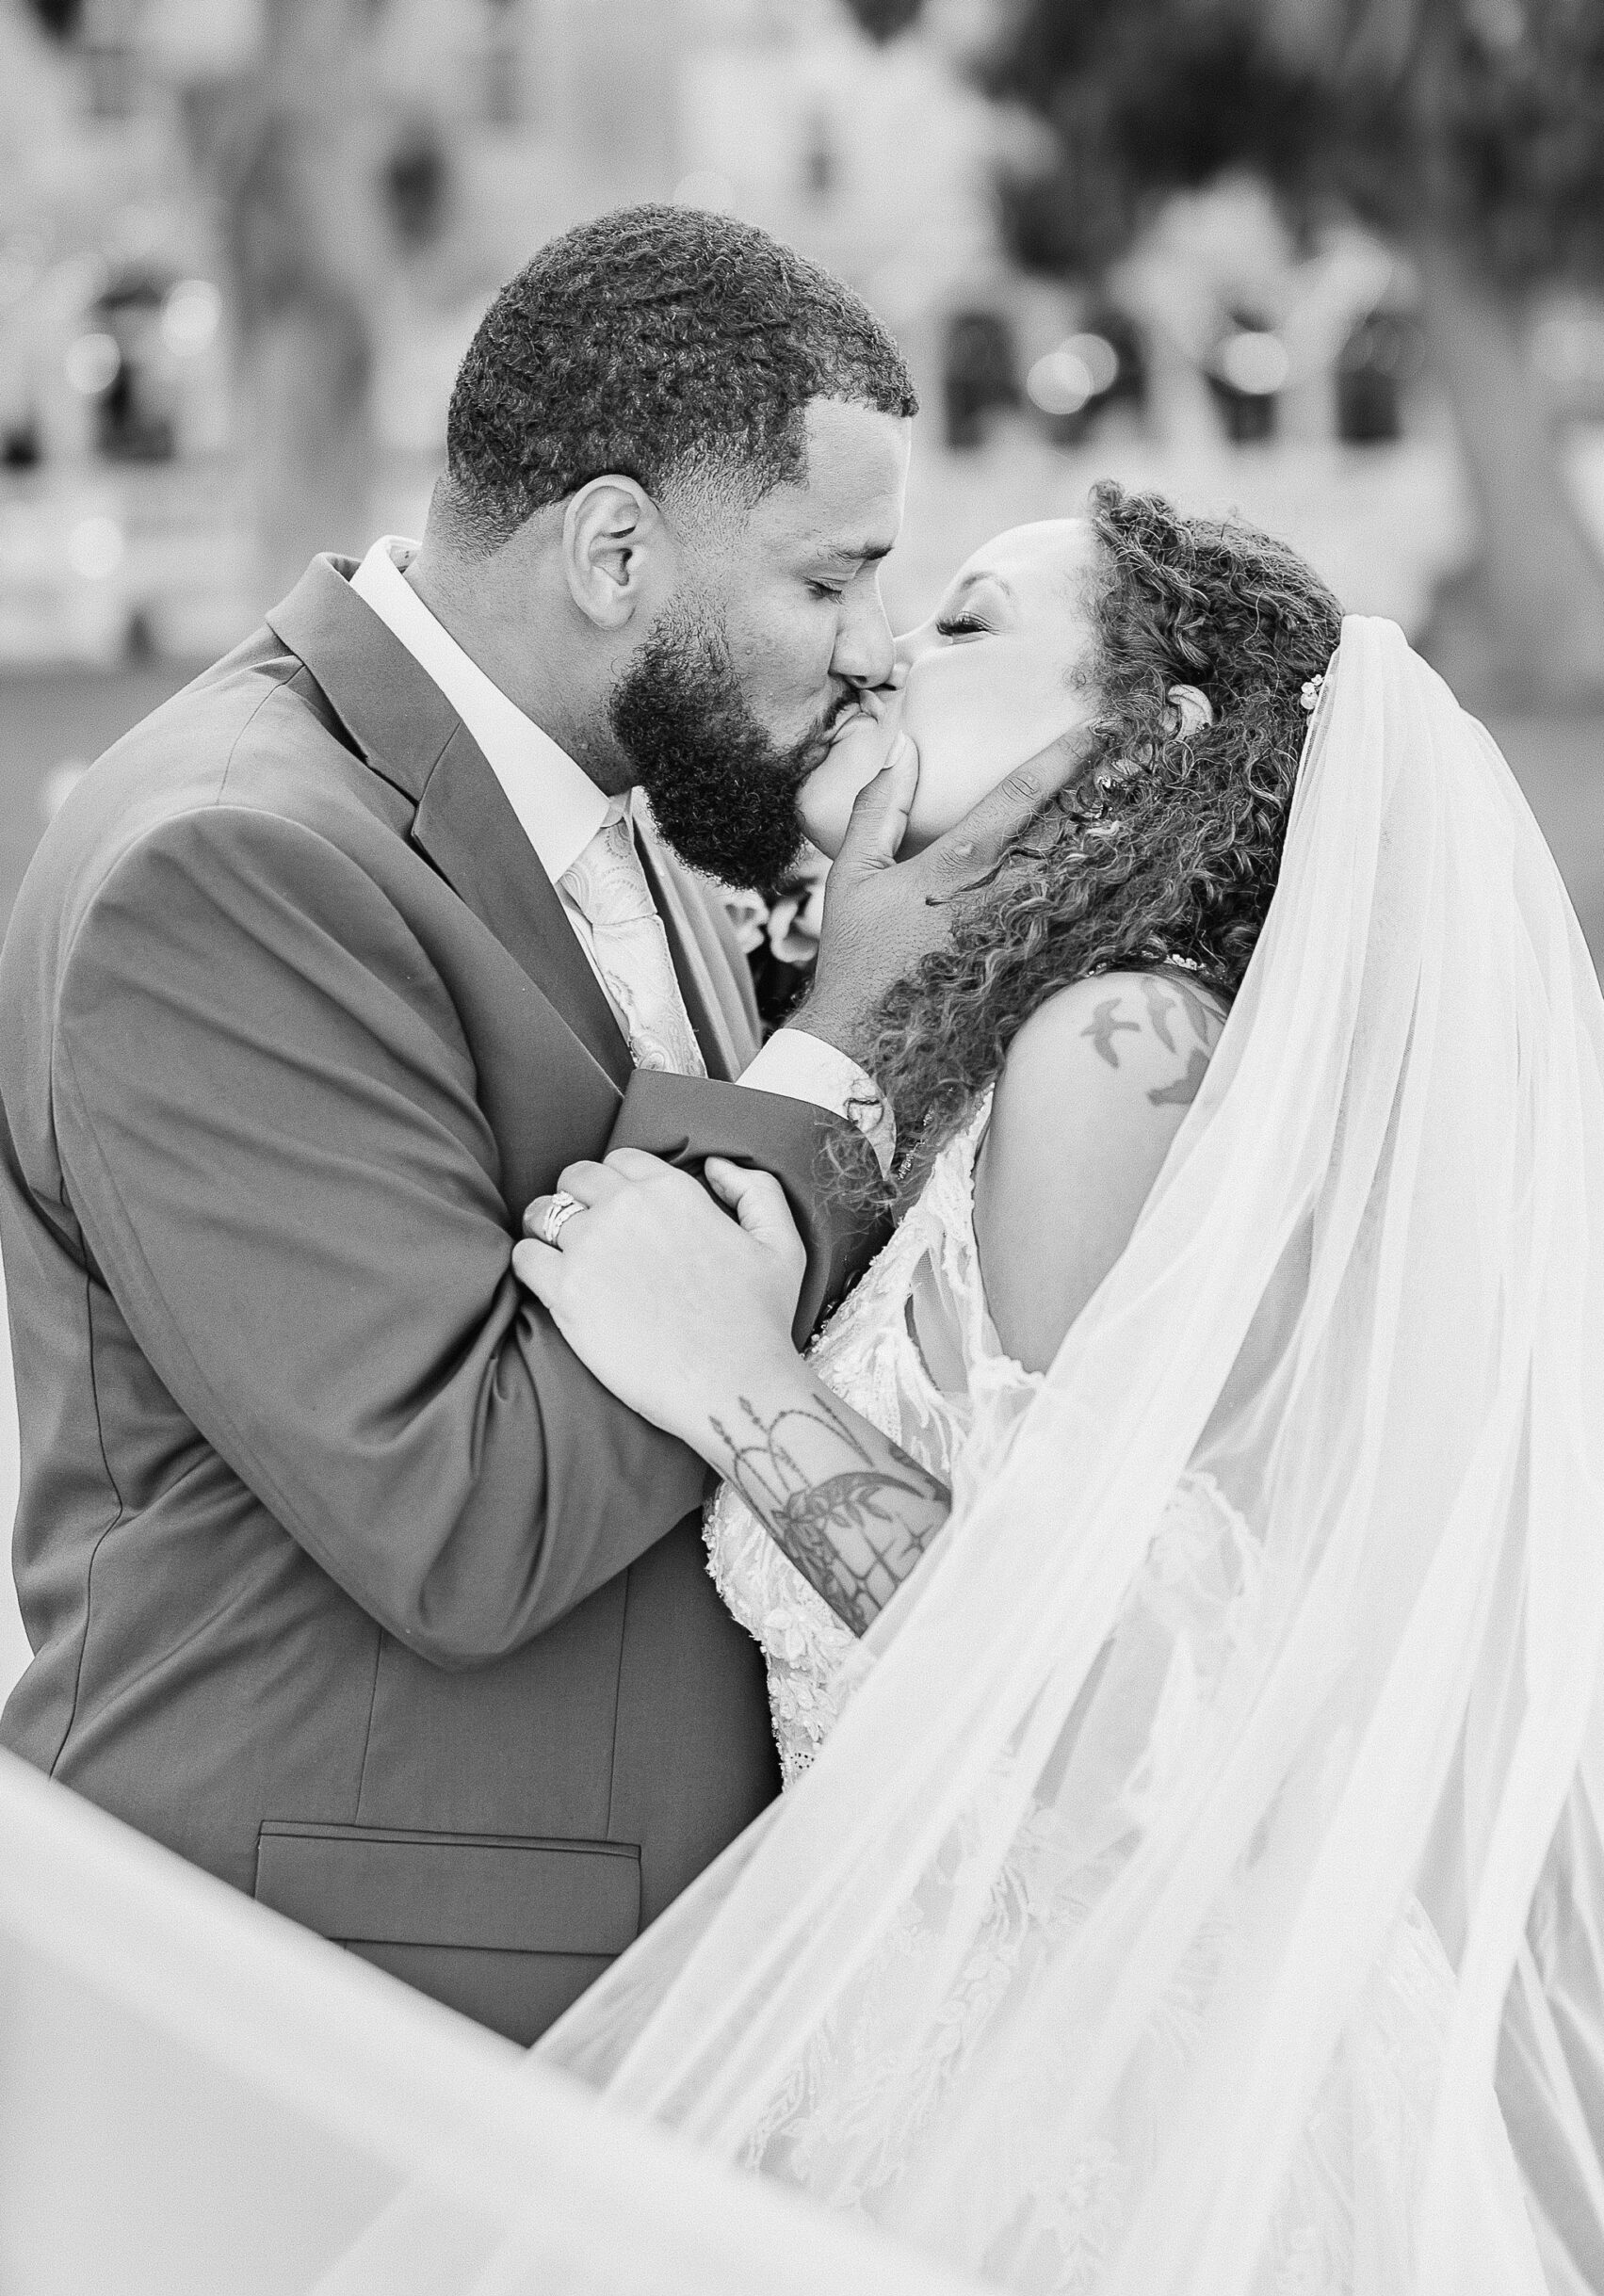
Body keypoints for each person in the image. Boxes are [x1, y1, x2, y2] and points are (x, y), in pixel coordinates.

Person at [502, 488, 1604, 2296]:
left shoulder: (1112, 1057)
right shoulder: (1049, 1048)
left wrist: (733, 1377)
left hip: (1084, 2126)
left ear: (1145, 738)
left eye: (965, 626)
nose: (882, 653)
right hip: (941, 2047)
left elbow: (1106, 1731)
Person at [0, 204, 1075, 2047]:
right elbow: (463, 1517)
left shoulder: (620, 791)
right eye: (830, 580)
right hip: (323, 2008)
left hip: (645, 1976)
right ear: (613, 549)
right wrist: (847, 1044)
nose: (873, 648)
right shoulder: (231, 862)